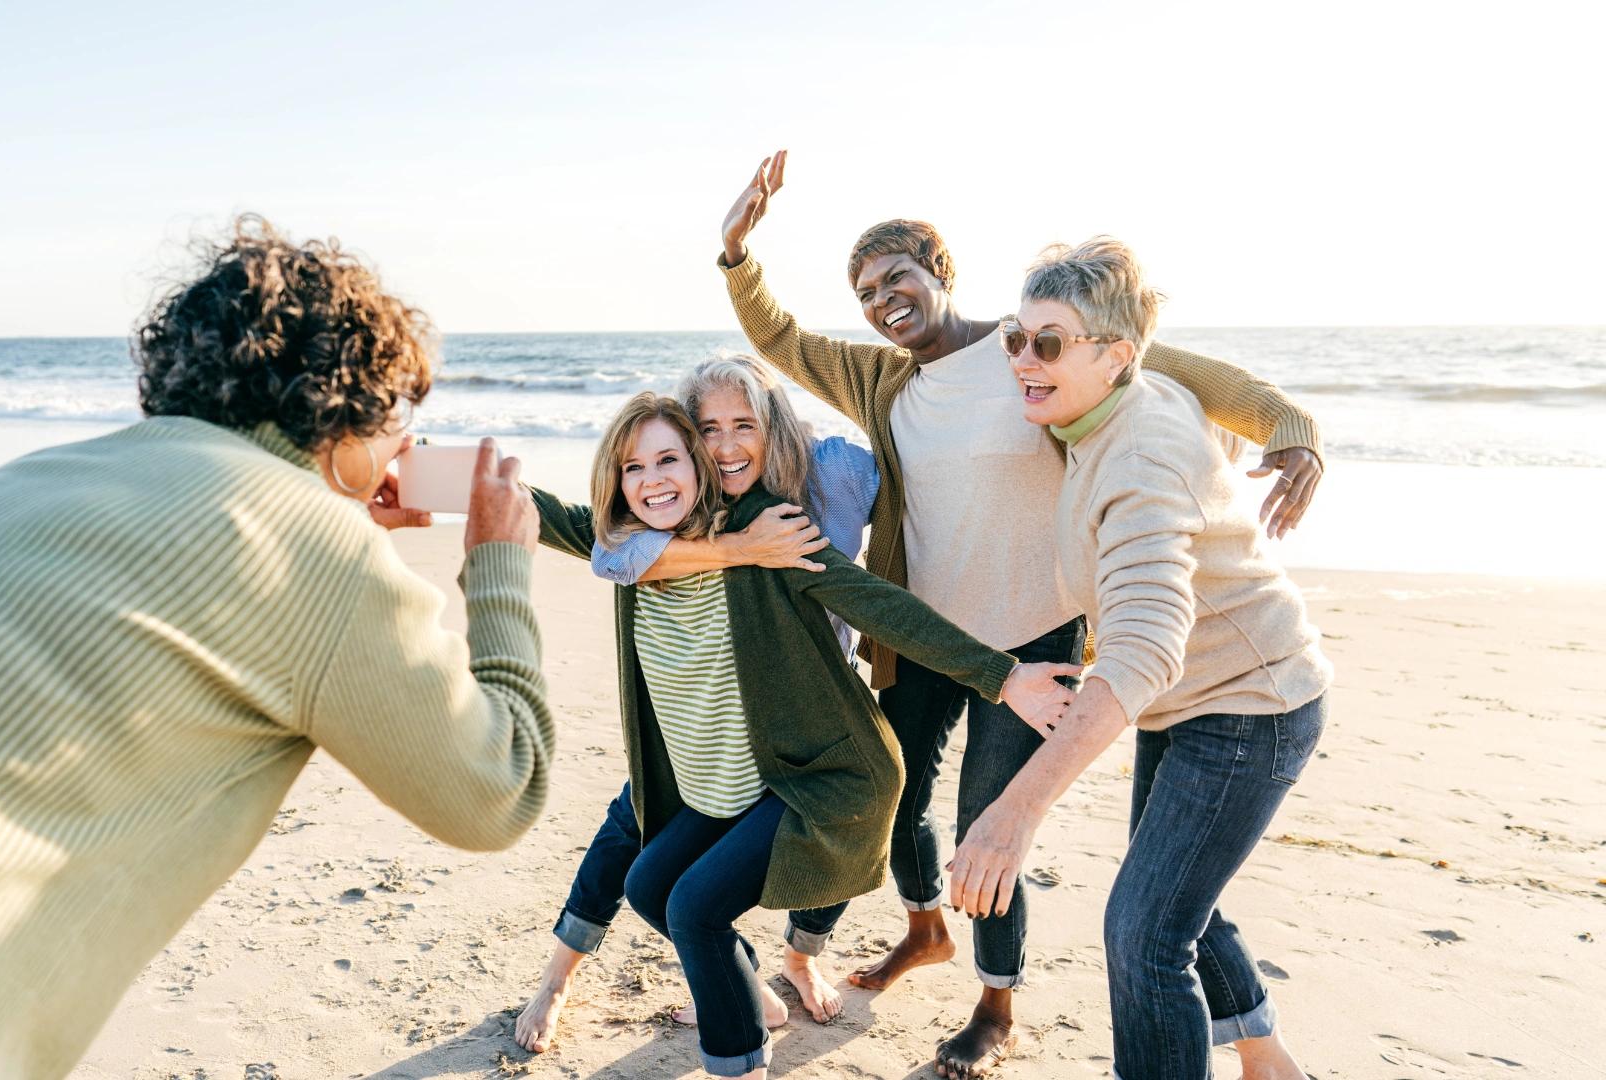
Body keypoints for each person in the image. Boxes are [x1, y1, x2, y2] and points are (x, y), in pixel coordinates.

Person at [0, 216, 551, 1079]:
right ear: (351, 408)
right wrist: (499, 565)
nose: (407, 444)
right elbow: (494, 791)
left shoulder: (21, 480)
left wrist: (329, 525)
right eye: (402, 416)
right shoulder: (316, 553)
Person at [716, 152, 1327, 1077]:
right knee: (899, 802)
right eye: (867, 290)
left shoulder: (1036, 349)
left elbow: (1186, 374)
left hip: (1036, 640)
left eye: (899, 277)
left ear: (942, 271)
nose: (885, 300)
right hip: (924, 638)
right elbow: (783, 342)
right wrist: (736, 256)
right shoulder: (886, 380)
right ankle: (926, 931)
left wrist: (1291, 429)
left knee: (993, 828)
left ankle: (995, 1004)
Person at [527, 393, 1078, 1079]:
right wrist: (390, 466)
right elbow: (535, 510)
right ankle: (756, 999)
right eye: (633, 468)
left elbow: (879, 604)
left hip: (818, 774)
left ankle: (741, 1063)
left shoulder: (769, 532)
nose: (654, 479)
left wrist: (1001, 675)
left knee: (695, 908)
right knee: (647, 885)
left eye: (670, 458)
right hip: (725, 783)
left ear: (699, 463)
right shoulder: (631, 547)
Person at [951, 237, 1331, 1080]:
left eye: (1047, 344)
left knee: (1145, 932)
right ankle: (1272, 1064)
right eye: (1018, 337)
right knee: (1174, 896)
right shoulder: (1109, 398)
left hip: (1250, 705)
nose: (1022, 360)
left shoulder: (1141, 454)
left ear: (1115, 356)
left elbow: (1145, 648)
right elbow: (1221, 380)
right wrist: (1293, 427)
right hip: (1199, 698)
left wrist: (1014, 814)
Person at [514, 355, 875, 1053]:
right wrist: (740, 548)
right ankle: (565, 977)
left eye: (744, 424)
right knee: (637, 836)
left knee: (845, 833)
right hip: (708, 736)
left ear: (775, 425)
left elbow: (903, 546)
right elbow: (606, 542)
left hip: (813, 725)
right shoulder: (681, 504)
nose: (727, 443)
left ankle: (796, 960)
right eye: (708, 428)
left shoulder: (832, 475)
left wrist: (999, 668)